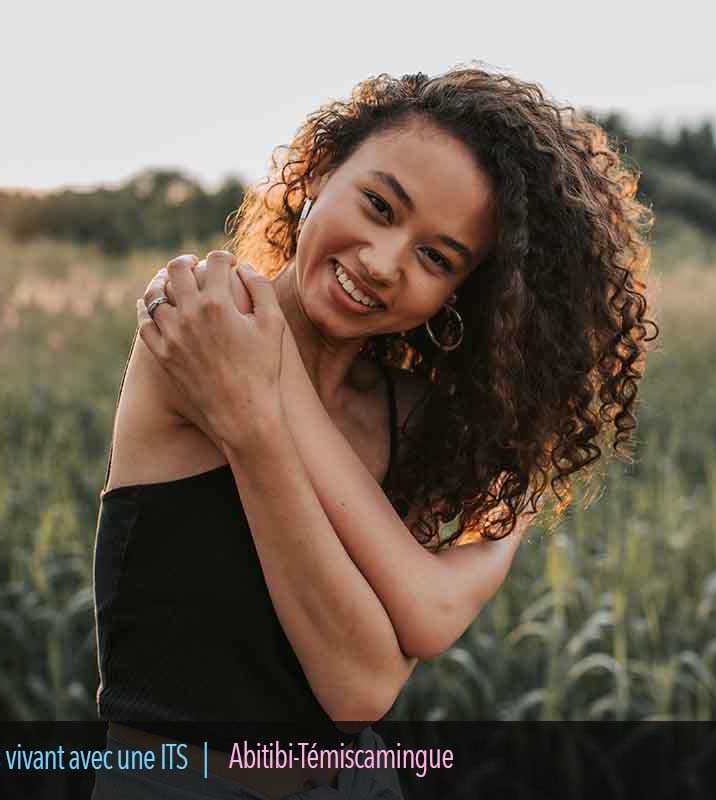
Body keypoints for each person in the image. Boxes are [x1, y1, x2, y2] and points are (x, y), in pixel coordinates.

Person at [91, 68, 658, 799]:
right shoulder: (205, 323)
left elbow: (389, 660)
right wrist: (257, 429)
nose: (384, 263)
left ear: (464, 294)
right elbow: (358, 686)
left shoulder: (414, 417)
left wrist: (260, 416)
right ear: (322, 173)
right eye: (380, 206)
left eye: (436, 258)